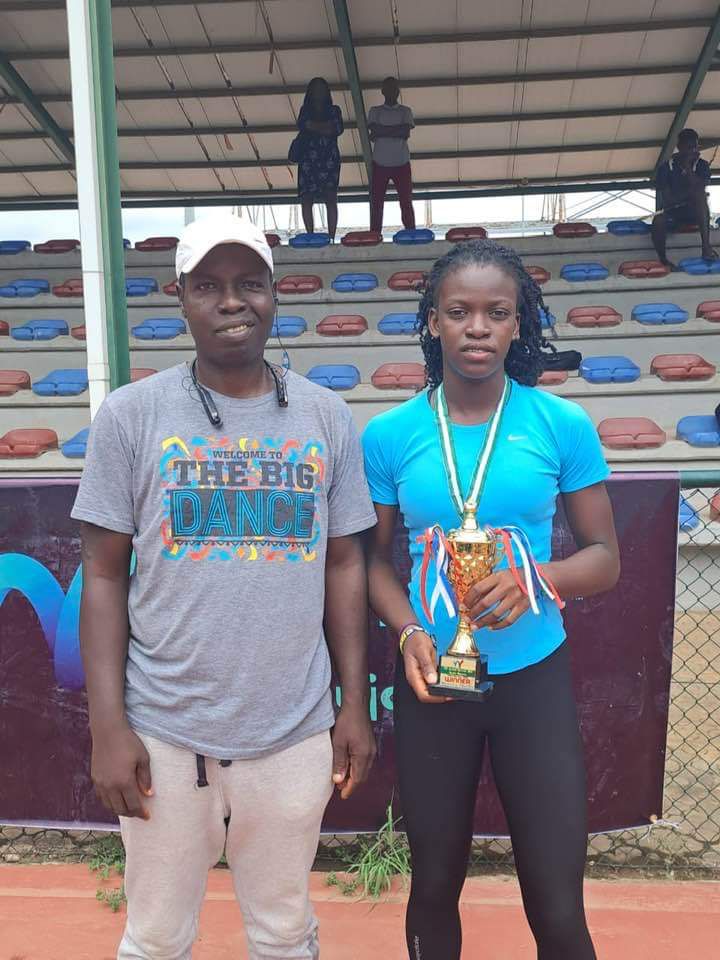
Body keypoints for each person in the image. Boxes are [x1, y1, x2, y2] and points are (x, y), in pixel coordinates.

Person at [72, 214, 377, 959]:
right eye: (209, 285)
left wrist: (353, 704)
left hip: (293, 728)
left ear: (274, 293)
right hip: (164, 729)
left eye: (249, 283)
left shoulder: (325, 415)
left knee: (283, 928)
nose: (232, 301)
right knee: (155, 934)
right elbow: (104, 575)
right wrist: (107, 727)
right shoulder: (130, 416)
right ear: (179, 297)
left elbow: (344, 564)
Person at [362, 239, 620, 960]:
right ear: (433, 321)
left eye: (496, 313)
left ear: (517, 323)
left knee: (558, 905)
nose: (477, 328)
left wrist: (538, 577)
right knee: (432, 886)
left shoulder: (560, 424)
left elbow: (604, 559)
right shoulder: (390, 434)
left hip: (533, 680)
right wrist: (409, 630)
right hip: (434, 683)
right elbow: (372, 562)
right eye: (459, 312)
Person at [652, 128, 716, 268]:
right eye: (688, 147)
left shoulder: (702, 165)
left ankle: (706, 247)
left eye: (694, 147)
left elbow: (700, 189)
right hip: (674, 212)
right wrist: (690, 194)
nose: (692, 151)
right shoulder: (666, 168)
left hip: (696, 212)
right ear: (679, 147)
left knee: (699, 197)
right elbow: (668, 200)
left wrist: (688, 168)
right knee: (658, 221)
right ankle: (663, 260)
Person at [295, 77, 343, 241]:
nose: (319, 92)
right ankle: (310, 236)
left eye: (322, 88)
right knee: (306, 198)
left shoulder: (334, 110)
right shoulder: (305, 110)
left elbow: (336, 128)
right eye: (316, 88)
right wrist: (325, 127)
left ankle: (331, 237)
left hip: (329, 159)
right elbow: (304, 125)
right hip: (308, 159)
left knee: (331, 197)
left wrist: (314, 126)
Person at [368, 77, 416, 235]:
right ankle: (375, 235)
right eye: (388, 88)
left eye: (394, 88)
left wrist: (382, 131)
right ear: (382, 91)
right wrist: (396, 130)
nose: (391, 91)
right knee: (377, 203)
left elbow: (404, 133)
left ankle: (410, 233)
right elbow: (377, 131)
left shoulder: (405, 110)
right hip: (380, 163)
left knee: (406, 202)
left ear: (398, 91)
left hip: (401, 163)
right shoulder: (375, 110)